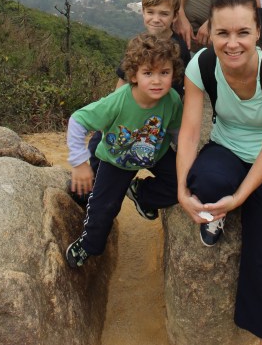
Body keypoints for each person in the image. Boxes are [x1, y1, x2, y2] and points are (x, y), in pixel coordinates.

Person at [176, 0, 262, 343]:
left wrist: (239, 198)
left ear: (258, 31)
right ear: (210, 33)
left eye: (243, 32)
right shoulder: (202, 65)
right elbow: (189, 133)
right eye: (223, 33)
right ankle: (216, 208)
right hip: (226, 145)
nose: (232, 43)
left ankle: (261, 332)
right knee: (204, 183)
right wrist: (182, 190)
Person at [65, 33, 183, 268]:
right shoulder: (119, 100)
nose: (157, 81)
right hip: (117, 159)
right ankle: (89, 244)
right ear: (134, 75)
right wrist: (79, 163)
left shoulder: (172, 100)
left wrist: (184, 156)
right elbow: (78, 120)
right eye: (148, 73)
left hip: (155, 153)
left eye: (164, 72)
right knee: (104, 208)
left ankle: (140, 193)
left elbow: (176, 129)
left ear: (173, 73)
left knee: (183, 183)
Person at [86, 0, 191, 178]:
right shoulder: (141, 44)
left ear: (175, 16)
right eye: (150, 12)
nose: (156, 19)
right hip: (130, 112)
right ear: (143, 12)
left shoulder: (179, 50)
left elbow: (178, 93)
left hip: (154, 120)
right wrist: (113, 113)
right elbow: (123, 81)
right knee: (97, 144)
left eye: (163, 14)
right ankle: (90, 187)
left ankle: (138, 190)